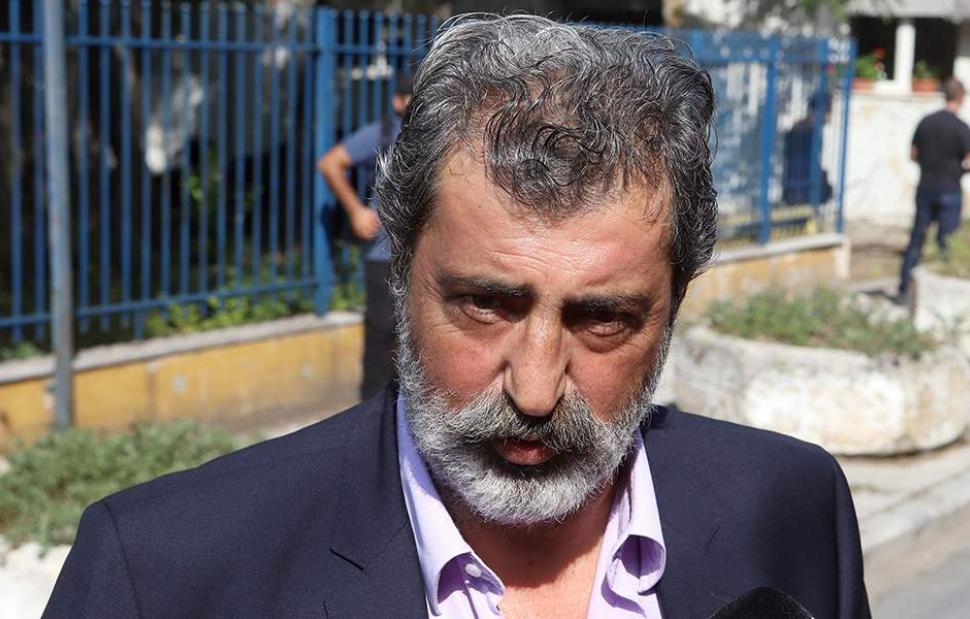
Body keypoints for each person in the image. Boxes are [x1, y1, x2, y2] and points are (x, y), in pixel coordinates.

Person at [44, 16, 870, 619]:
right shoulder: (161, 574)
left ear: (675, 301)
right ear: (402, 270)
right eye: (485, 304)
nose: (536, 390)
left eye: (603, 320)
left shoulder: (793, 506)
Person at [317, 74, 413, 399]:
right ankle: (371, 406)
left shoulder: (434, 135)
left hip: (421, 254)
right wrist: (356, 210)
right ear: (398, 101)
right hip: (383, 253)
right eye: (411, 97)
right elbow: (330, 163)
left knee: (414, 334)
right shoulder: (381, 133)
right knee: (382, 330)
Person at [897, 77, 970, 301]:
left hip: (926, 187)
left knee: (917, 239)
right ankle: (940, 297)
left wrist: (927, 165)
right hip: (950, 189)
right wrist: (960, 170)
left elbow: (913, 154)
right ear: (961, 97)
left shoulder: (926, 122)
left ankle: (903, 291)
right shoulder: (961, 128)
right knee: (946, 242)